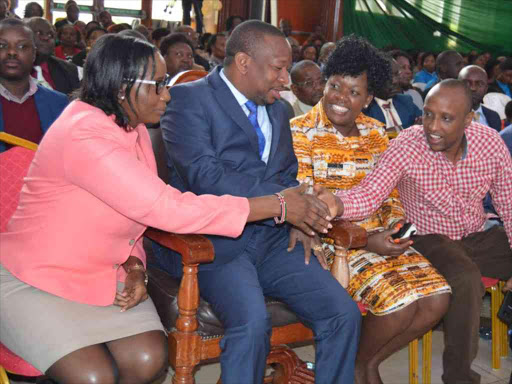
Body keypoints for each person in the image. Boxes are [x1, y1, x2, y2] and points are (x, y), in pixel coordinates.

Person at [0, 33, 335, 384]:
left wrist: (135, 266)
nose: (168, 94)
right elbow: (165, 208)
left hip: (103, 274)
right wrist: (278, 205)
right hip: (36, 280)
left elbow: (135, 217)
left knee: (148, 357)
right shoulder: (84, 134)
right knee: (92, 376)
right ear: (121, 87)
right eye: (158, 85)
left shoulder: (133, 127)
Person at [158, 20, 361, 384]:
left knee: (342, 313)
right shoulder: (189, 101)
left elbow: (286, 174)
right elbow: (206, 178)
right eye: (279, 68)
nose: (286, 80)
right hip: (216, 243)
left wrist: (302, 216)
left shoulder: (280, 111)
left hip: (273, 240)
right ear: (244, 62)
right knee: (252, 323)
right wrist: (283, 203)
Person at [329, 79, 512, 384]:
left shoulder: (490, 143)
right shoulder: (408, 144)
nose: (432, 126)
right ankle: (459, 378)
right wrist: (333, 204)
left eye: (446, 118)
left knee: (471, 265)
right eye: (428, 114)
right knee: (465, 278)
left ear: (469, 119)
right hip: (429, 238)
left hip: (479, 233)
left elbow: (508, 204)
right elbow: (369, 193)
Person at [290, 35, 451, 384]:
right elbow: (306, 205)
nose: (341, 99)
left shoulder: (378, 133)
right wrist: (366, 241)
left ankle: (362, 362)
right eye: (335, 86)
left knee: (438, 300)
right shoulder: (300, 132)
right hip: (336, 245)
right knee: (403, 304)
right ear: (325, 82)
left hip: (380, 238)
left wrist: (395, 229)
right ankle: (361, 367)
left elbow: (391, 194)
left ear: (368, 98)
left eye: (353, 92)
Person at [0, 18, 68, 152]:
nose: (12, 52)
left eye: (22, 46)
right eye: (2, 45)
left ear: (34, 54)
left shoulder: (59, 103)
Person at [26, 17, 80, 95]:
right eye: (39, 33)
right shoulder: (12, 68)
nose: (46, 37)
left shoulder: (69, 70)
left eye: (50, 34)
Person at [364, 58, 422, 131]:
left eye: (396, 75)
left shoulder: (406, 101)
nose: (395, 81)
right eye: (389, 76)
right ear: (374, 77)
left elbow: (422, 123)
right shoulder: (365, 108)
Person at [458, 65, 501, 132]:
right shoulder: (448, 115)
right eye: (467, 83)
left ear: (486, 89)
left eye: (479, 84)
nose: (473, 88)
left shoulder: (494, 116)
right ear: (457, 85)